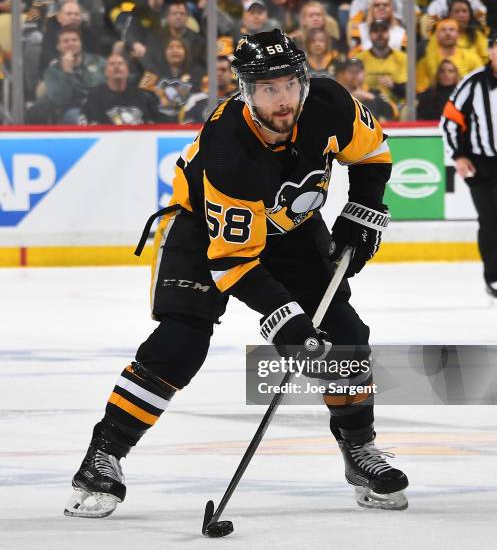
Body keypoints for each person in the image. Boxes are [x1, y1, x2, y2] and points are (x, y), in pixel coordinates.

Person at [64, 29, 408, 519]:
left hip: (291, 230)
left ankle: (359, 450)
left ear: (304, 82)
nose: (282, 100)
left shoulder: (330, 102)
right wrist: (282, 317)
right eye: (267, 89)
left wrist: (362, 208)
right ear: (245, 91)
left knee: (346, 334)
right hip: (204, 234)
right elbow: (234, 261)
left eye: (289, 84)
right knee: (180, 342)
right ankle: (103, 456)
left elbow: (373, 154)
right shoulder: (229, 148)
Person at [440, 30, 497, 298]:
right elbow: (450, 121)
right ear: (490, 50)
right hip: (483, 165)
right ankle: (494, 277)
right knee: (491, 220)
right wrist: (458, 156)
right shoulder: (473, 84)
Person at [42, 25, 106, 123]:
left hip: (101, 106)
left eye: (75, 40)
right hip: (72, 112)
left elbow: (104, 86)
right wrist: (67, 72)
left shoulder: (99, 62)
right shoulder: (52, 71)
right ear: (58, 47)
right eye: (66, 41)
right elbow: (60, 99)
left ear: (80, 43)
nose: (71, 43)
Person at [79, 54, 158, 125]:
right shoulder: (95, 96)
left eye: (120, 63)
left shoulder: (140, 95)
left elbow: (150, 123)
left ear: (127, 71)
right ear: (105, 72)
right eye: (112, 64)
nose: (116, 67)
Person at [416, 18, 482, 93]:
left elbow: (480, 82)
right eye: (443, 30)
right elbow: (420, 88)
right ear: (437, 35)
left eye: (451, 29)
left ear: (458, 35)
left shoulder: (472, 58)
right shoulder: (426, 60)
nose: (448, 33)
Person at [356, 19, 407, 103]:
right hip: (367, 103)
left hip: (396, 104)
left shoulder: (403, 58)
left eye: (383, 30)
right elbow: (353, 87)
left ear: (389, 34)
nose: (380, 34)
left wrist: (394, 85)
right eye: (375, 31)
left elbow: (408, 90)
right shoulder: (359, 59)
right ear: (369, 35)